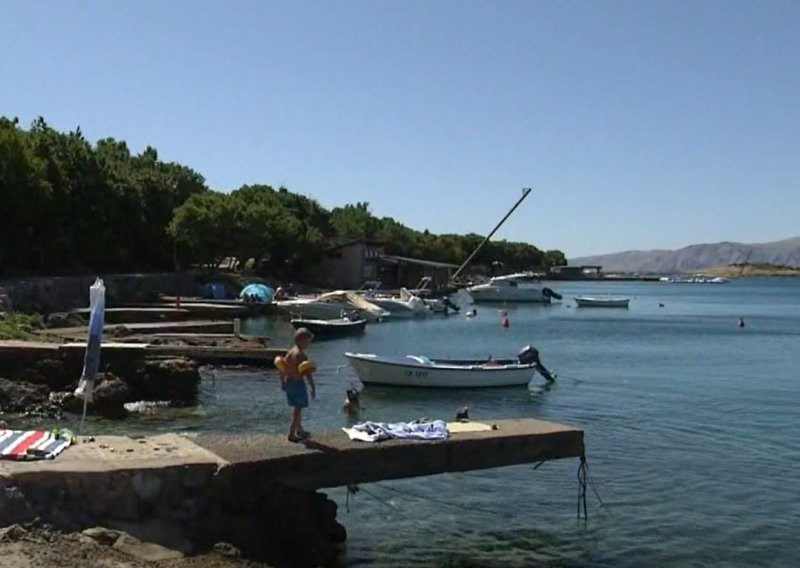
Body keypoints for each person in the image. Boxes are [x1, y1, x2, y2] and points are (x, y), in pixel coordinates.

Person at [280, 328, 316, 442]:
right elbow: (307, 374)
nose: (309, 344)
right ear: (303, 341)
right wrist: (313, 387)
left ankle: (300, 430)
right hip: (297, 384)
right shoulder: (301, 355)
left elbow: (282, 367)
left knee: (297, 408)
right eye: (308, 341)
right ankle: (291, 434)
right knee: (298, 410)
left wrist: (282, 381)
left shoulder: (290, 352)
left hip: (289, 382)